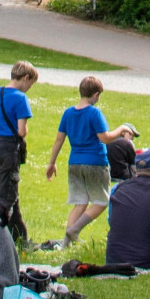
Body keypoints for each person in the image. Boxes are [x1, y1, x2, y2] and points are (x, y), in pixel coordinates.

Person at [46, 75, 135, 247]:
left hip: (74, 164)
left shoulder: (68, 113)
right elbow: (105, 138)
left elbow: (59, 139)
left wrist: (52, 162)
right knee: (102, 202)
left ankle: (65, 244)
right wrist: (123, 129)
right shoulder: (94, 113)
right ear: (95, 95)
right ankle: (74, 230)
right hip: (95, 162)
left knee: (80, 202)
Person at [0, 62, 38, 245]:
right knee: (5, 198)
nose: (29, 88)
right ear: (26, 78)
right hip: (8, 148)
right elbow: (21, 131)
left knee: (6, 192)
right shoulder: (20, 98)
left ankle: (20, 240)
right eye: (31, 84)